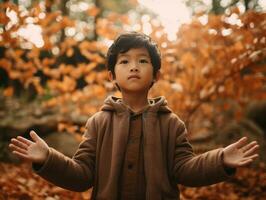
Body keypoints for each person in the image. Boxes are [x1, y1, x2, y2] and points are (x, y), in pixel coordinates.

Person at [9, 32, 259, 200]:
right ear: (112, 76)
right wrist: (47, 159)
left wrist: (221, 160)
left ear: (156, 75)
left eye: (142, 60)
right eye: (124, 61)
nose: (134, 67)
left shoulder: (171, 123)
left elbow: (185, 170)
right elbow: (82, 175)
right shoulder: (99, 122)